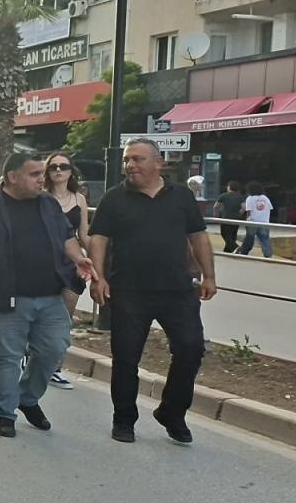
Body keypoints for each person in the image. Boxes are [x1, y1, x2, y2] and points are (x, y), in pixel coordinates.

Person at [0, 153, 93, 439]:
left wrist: (78, 259)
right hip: (3, 296)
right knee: (8, 355)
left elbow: (67, 237)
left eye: (43, 173)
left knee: (54, 348)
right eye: (35, 173)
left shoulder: (48, 204)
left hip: (50, 295)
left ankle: (27, 397)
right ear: (13, 177)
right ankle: (5, 412)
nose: (43, 178)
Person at [88, 138, 215, 446]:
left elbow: (198, 236)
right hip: (129, 291)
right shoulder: (114, 199)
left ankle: (172, 412)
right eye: (127, 160)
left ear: (158, 163)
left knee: (190, 348)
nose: (130, 165)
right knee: (126, 358)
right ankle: (124, 420)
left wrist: (209, 274)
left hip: (177, 290)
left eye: (138, 159)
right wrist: (98, 278)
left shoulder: (181, 196)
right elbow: (99, 240)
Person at [43, 151, 91, 390]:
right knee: (39, 315)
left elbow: (84, 234)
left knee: (63, 318)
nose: (58, 171)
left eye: (63, 166)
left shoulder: (79, 199)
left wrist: (97, 261)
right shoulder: (40, 197)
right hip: (42, 262)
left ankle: (56, 368)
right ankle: (34, 359)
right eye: (53, 167)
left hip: (70, 264)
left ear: (71, 171)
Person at [239, 182, 274, 258]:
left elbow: (248, 211)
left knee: (249, 238)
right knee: (265, 239)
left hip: (252, 222)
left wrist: (247, 220)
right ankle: (268, 254)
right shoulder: (265, 198)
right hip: (264, 222)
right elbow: (270, 209)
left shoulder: (250, 198)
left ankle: (244, 252)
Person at [214, 180, 245, 252]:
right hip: (236, 219)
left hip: (226, 219)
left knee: (224, 234)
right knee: (233, 235)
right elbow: (244, 208)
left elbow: (216, 206)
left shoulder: (224, 195)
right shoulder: (240, 197)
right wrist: (239, 214)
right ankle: (227, 250)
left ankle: (236, 247)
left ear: (229, 187)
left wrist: (216, 214)